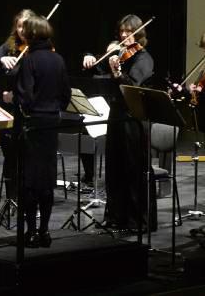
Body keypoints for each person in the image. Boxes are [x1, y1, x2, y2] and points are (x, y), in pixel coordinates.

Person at [83, 14, 156, 232]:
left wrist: (116, 72)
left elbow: (131, 86)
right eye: (121, 32)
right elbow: (98, 68)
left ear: (139, 34)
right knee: (114, 167)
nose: (124, 36)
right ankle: (116, 216)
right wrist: (89, 58)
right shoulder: (120, 55)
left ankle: (136, 221)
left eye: (128, 32)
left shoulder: (144, 59)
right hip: (116, 116)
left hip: (133, 118)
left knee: (132, 169)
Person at [13, 15, 71, 247]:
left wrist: (23, 105)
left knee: (29, 180)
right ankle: (46, 232)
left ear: (30, 35)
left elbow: (25, 95)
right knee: (47, 179)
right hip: (51, 124)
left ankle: (31, 232)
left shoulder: (29, 60)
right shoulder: (58, 60)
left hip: (33, 124)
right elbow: (66, 95)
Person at [0, 9, 37, 201]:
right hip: (8, 111)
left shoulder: (39, 48)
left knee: (28, 157)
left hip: (30, 111)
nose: (22, 30)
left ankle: (30, 200)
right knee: (11, 156)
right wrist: (1, 59)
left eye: (26, 25)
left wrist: (16, 95)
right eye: (19, 25)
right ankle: (12, 200)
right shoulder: (10, 45)